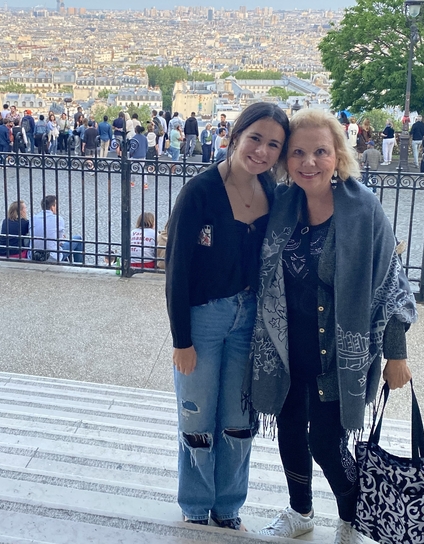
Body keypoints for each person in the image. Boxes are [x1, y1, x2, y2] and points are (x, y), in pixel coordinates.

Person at [248, 107, 416, 542]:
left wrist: (396, 354)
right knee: (288, 432)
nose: (308, 163)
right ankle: (300, 511)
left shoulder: (364, 212)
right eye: (298, 153)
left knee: (326, 443)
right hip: (287, 347)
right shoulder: (282, 205)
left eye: (320, 152)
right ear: (286, 160)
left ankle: (351, 515)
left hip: (340, 351)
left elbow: (392, 287)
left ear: (338, 155)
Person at [166, 102, 289, 531]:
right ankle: (197, 507)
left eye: (274, 144)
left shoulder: (273, 194)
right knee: (197, 416)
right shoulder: (200, 192)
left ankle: (229, 506)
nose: (262, 151)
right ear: (236, 135)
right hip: (203, 318)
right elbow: (177, 269)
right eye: (256, 138)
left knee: (239, 421)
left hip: (250, 319)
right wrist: (181, 339)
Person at [30, 194, 65, 261]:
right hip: (52, 256)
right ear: (52, 207)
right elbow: (60, 242)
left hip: (34, 255)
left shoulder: (33, 218)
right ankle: (80, 267)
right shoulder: (58, 219)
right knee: (78, 239)